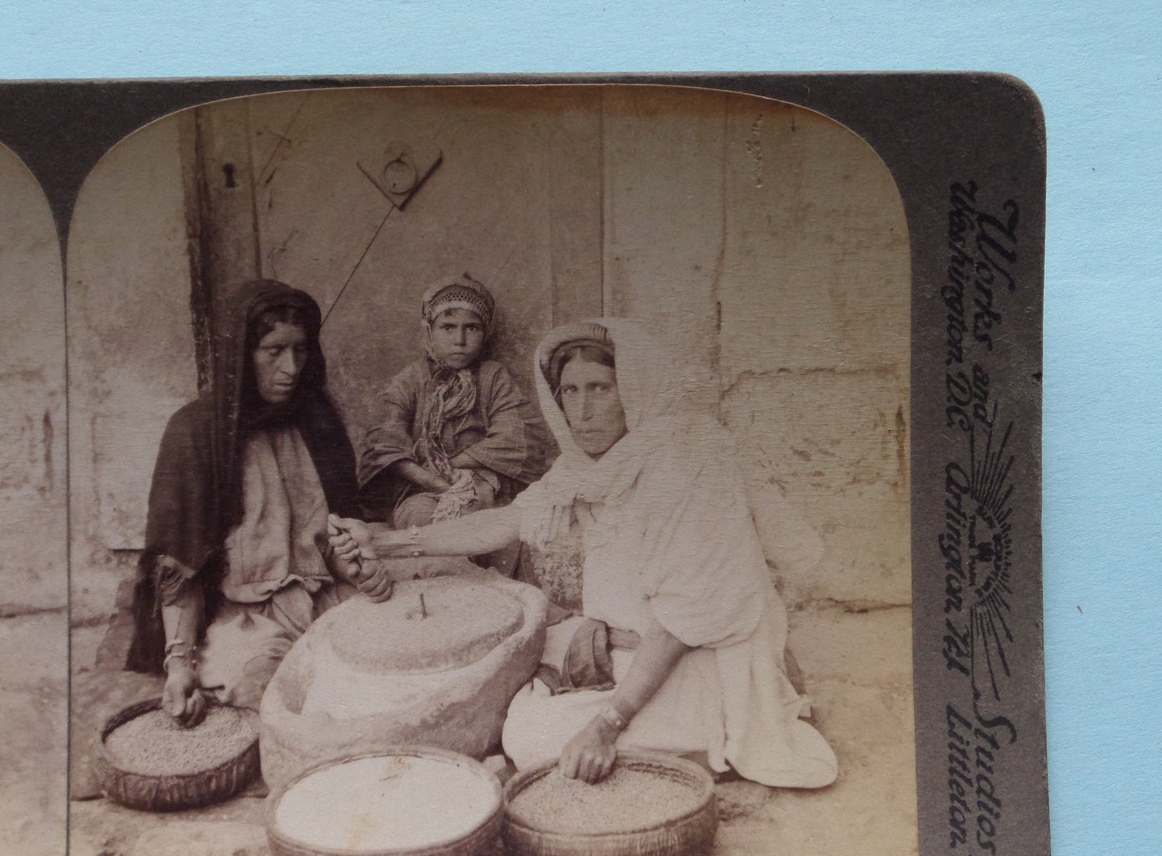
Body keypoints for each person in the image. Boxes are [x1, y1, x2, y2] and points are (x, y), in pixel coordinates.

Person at [331, 319, 837, 790]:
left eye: (600, 388)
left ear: (635, 390)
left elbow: (681, 622)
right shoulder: (594, 465)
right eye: (570, 391)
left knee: (531, 738)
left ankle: (709, 743)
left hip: (701, 659)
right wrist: (386, 542)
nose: (583, 409)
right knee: (512, 676)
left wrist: (607, 725)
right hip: (629, 642)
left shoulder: (688, 462)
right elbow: (508, 521)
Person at [127, 280, 388, 726]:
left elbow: (340, 532)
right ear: (241, 356)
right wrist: (178, 664)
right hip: (248, 616)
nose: (290, 367)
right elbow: (179, 566)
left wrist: (361, 569)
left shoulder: (316, 419)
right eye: (273, 351)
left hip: (326, 596)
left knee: (393, 660)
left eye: (300, 351)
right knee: (258, 689)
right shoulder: (195, 433)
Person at [357, 274, 545, 531]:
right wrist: (435, 481)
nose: (459, 339)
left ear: (485, 333)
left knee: (483, 521)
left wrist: (453, 467)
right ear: (429, 331)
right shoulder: (412, 379)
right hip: (421, 486)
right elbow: (384, 444)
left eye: (471, 328)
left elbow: (514, 436)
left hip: (481, 481)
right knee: (420, 520)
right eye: (447, 327)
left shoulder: (492, 376)